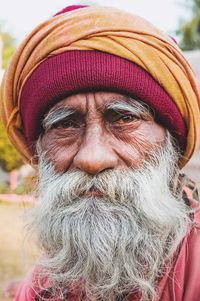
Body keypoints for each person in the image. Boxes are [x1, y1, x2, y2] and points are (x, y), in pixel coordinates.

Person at [0, 4, 200, 301]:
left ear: (172, 144)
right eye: (65, 124)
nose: (92, 158)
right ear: (39, 152)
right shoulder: (45, 281)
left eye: (124, 119)